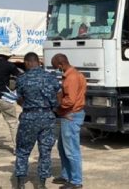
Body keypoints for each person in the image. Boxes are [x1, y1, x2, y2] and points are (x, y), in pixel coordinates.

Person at [13, 52, 60, 189]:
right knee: (45, 152)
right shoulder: (51, 77)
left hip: (29, 117)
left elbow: (20, 98)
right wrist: (54, 108)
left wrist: (28, 105)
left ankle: (21, 184)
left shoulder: (22, 78)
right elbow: (58, 95)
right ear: (38, 62)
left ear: (27, 62)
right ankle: (41, 184)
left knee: (23, 151)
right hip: (47, 117)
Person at [50, 54, 86, 189]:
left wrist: (57, 107)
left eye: (56, 67)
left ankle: (76, 181)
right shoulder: (75, 74)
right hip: (70, 114)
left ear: (60, 64)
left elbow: (70, 100)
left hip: (70, 115)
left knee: (71, 149)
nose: (57, 70)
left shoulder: (71, 78)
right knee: (63, 147)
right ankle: (66, 175)